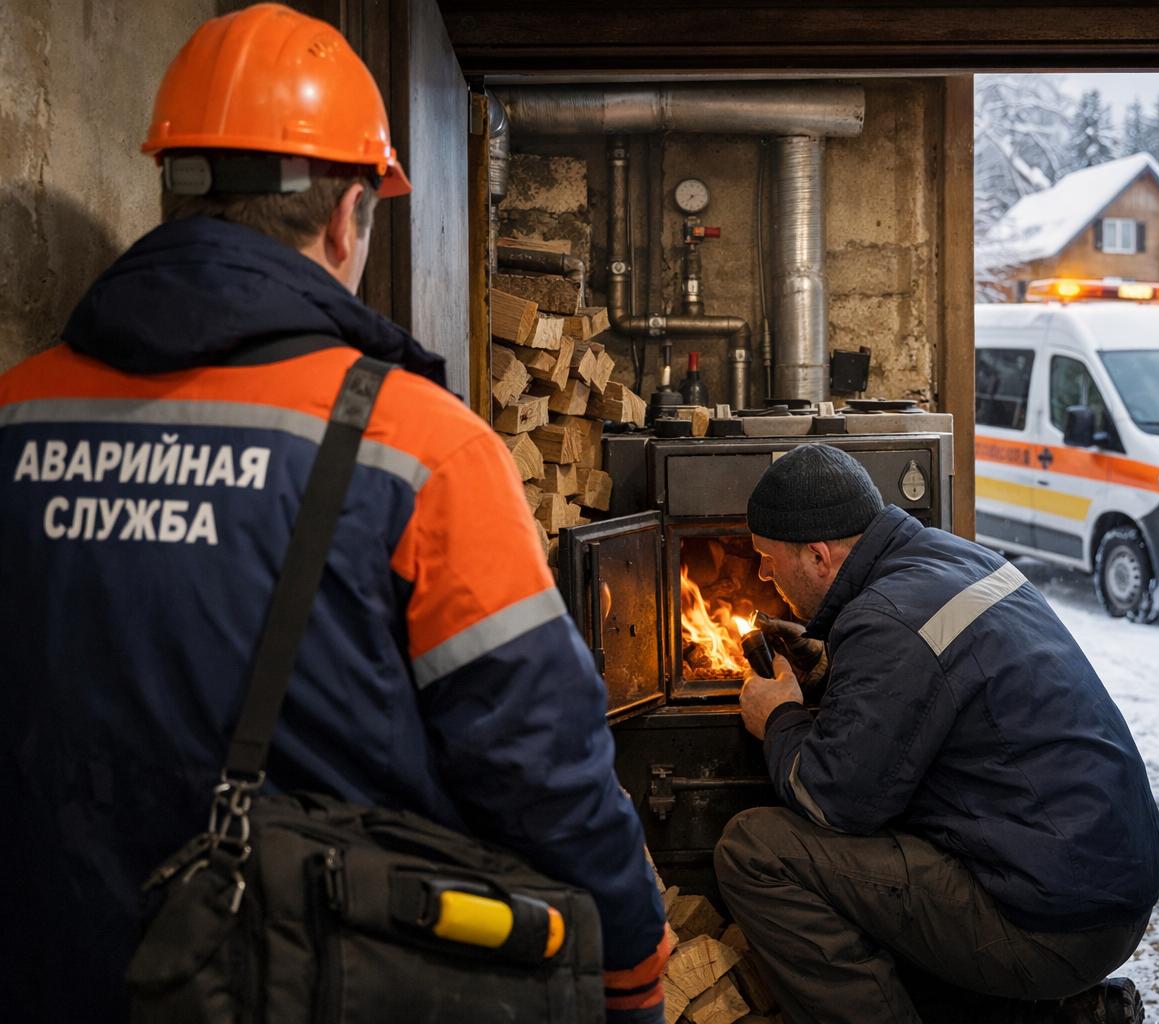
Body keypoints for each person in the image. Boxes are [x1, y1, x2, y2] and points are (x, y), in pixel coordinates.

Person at [0, 6, 668, 1021]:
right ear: (352, 213)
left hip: (48, 966)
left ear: (173, 189)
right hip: (306, 978)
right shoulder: (420, 447)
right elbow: (542, 761)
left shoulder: (17, 410)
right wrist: (629, 962)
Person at [712, 443, 1159, 1024]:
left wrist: (778, 716)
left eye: (766, 557)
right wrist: (831, 670)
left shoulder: (888, 622)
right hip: (1104, 889)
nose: (762, 573)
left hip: (1052, 925)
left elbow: (832, 801)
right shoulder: (954, 557)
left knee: (756, 850)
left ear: (819, 557)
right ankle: (1056, 1013)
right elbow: (930, 694)